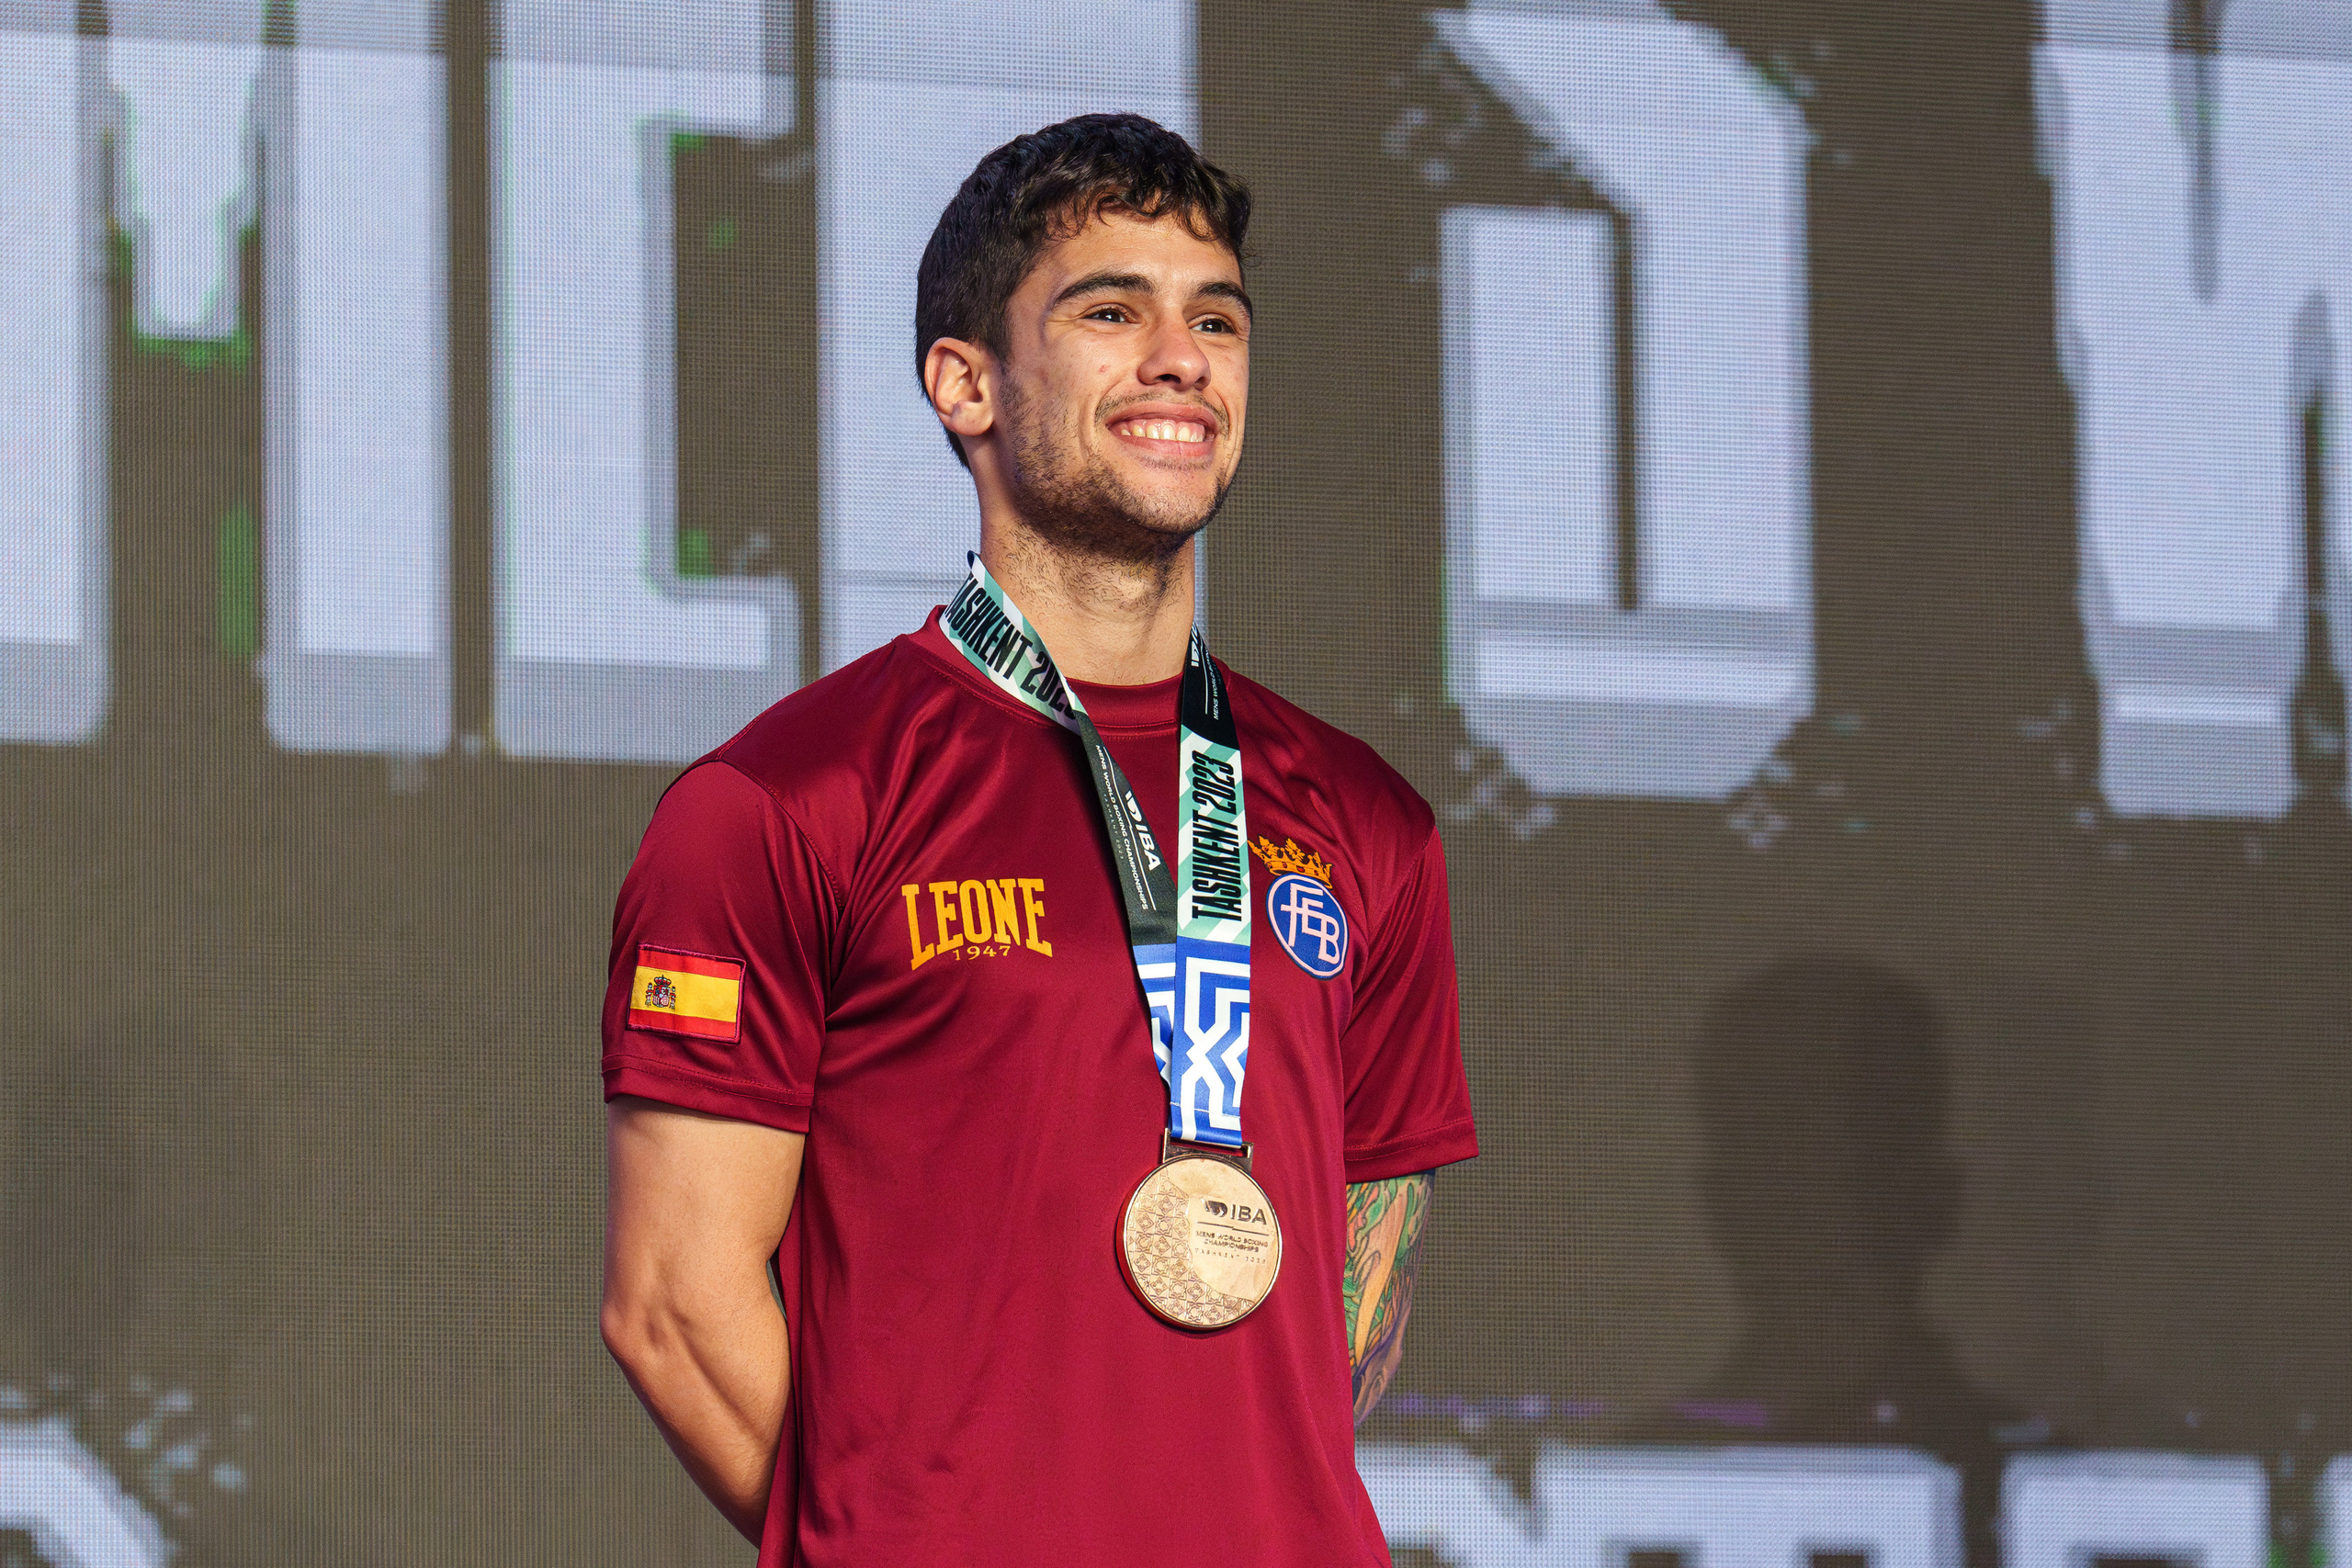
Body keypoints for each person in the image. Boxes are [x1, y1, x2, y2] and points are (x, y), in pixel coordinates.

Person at [597, 113, 1478, 1566]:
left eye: (1217, 319)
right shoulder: (787, 803)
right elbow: (674, 1305)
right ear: (966, 382)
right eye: (1110, 312)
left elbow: (1353, 1309)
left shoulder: (1364, 819)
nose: (1183, 360)